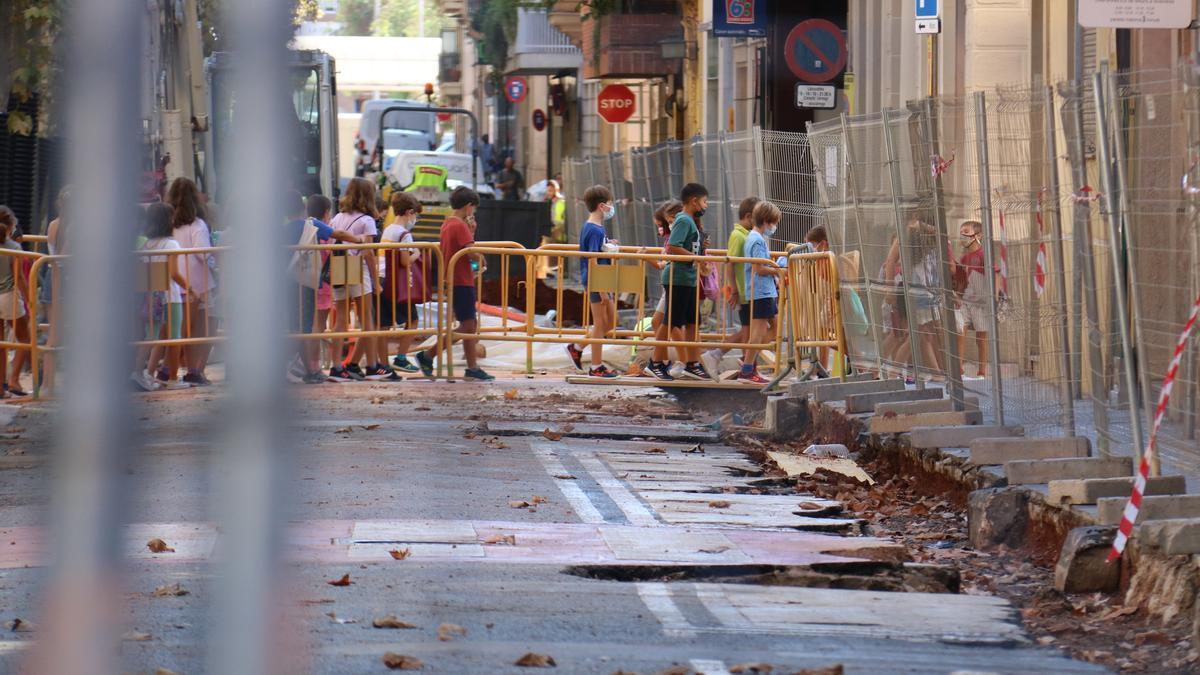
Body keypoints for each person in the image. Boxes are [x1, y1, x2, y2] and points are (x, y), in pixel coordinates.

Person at [415, 186, 494, 381]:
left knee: (469, 325)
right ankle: (428, 355)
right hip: (461, 281)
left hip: (455, 280)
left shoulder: (447, 224)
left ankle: (472, 367)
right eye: (473, 209)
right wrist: (481, 254)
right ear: (468, 207)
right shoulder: (459, 226)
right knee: (467, 325)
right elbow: (472, 252)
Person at [286, 191, 365, 384]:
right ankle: (306, 369)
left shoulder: (284, 229)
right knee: (304, 329)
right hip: (305, 282)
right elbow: (338, 233)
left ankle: (308, 369)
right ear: (302, 209)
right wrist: (360, 240)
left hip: (286, 283)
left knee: (295, 328)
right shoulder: (310, 225)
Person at [647, 183, 710, 381]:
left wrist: (699, 251)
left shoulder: (690, 221)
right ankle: (655, 362)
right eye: (704, 201)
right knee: (670, 321)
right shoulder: (683, 219)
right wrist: (694, 257)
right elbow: (673, 246)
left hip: (689, 279)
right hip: (678, 278)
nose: (705, 206)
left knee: (692, 322)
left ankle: (692, 363)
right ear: (694, 201)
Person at [327, 177, 384, 380]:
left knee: (340, 319)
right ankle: (372, 365)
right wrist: (376, 281)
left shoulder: (337, 217)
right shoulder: (367, 221)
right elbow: (368, 252)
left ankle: (336, 367)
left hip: (338, 267)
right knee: (366, 318)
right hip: (358, 268)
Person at [166, 177, 218, 386]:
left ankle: (181, 368)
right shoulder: (198, 225)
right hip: (199, 282)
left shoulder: (169, 223)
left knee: (182, 329)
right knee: (203, 328)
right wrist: (217, 264)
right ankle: (196, 369)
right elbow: (203, 253)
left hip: (176, 281)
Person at [701, 196, 758, 378]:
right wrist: (734, 289)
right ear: (749, 216)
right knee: (749, 331)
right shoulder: (738, 235)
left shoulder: (746, 235)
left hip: (748, 291)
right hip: (743, 291)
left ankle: (745, 364)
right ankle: (717, 355)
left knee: (750, 331)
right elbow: (731, 263)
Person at [566, 185, 620, 378]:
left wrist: (608, 244)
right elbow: (592, 260)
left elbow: (597, 251)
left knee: (612, 321)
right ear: (602, 206)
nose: (612, 208)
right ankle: (596, 366)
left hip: (602, 279)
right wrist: (603, 291)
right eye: (610, 204)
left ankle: (577, 347)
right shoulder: (593, 229)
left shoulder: (596, 228)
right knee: (599, 324)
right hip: (597, 281)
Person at [137, 202, 190, 391]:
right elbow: (174, 273)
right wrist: (189, 287)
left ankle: (145, 374)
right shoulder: (171, 244)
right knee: (174, 338)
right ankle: (173, 379)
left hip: (152, 298)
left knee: (154, 336)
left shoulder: (147, 245)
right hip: (171, 297)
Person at [379, 191, 425, 376]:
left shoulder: (388, 229)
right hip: (396, 283)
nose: (415, 218)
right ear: (409, 212)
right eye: (416, 214)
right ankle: (401, 358)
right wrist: (417, 253)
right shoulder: (404, 234)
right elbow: (405, 261)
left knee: (383, 325)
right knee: (412, 320)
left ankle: (382, 364)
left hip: (381, 279)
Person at [740, 201, 784, 384]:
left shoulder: (753, 238)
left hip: (763, 291)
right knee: (759, 333)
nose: (774, 227)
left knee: (775, 328)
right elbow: (758, 267)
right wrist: (778, 270)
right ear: (766, 221)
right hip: (761, 292)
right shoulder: (757, 240)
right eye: (773, 223)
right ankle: (748, 368)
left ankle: (749, 363)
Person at [952, 219, 997, 378]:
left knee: (981, 338)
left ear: (978, 235)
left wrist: (995, 297)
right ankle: (960, 370)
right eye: (961, 232)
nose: (963, 235)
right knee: (960, 331)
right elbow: (963, 279)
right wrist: (958, 294)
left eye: (966, 231)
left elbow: (994, 275)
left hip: (981, 302)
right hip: (965, 301)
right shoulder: (964, 258)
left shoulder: (985, 255)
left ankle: (982, 372)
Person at [0, 206, 31, 397]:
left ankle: (1, 385)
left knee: (1, 343)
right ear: (11, 226)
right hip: (9, 295)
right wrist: (30, 299)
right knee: (25, 339)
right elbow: (18, 277)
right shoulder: (13, 247)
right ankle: (14, 381)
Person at [546, 179, 567, 244]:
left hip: (561, 238)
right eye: (547, 191)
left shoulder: (563, 202)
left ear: (557, 190)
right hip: (552, 237)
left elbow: (565, 221)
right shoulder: (549, 202)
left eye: (550, 191)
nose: (548, 193)